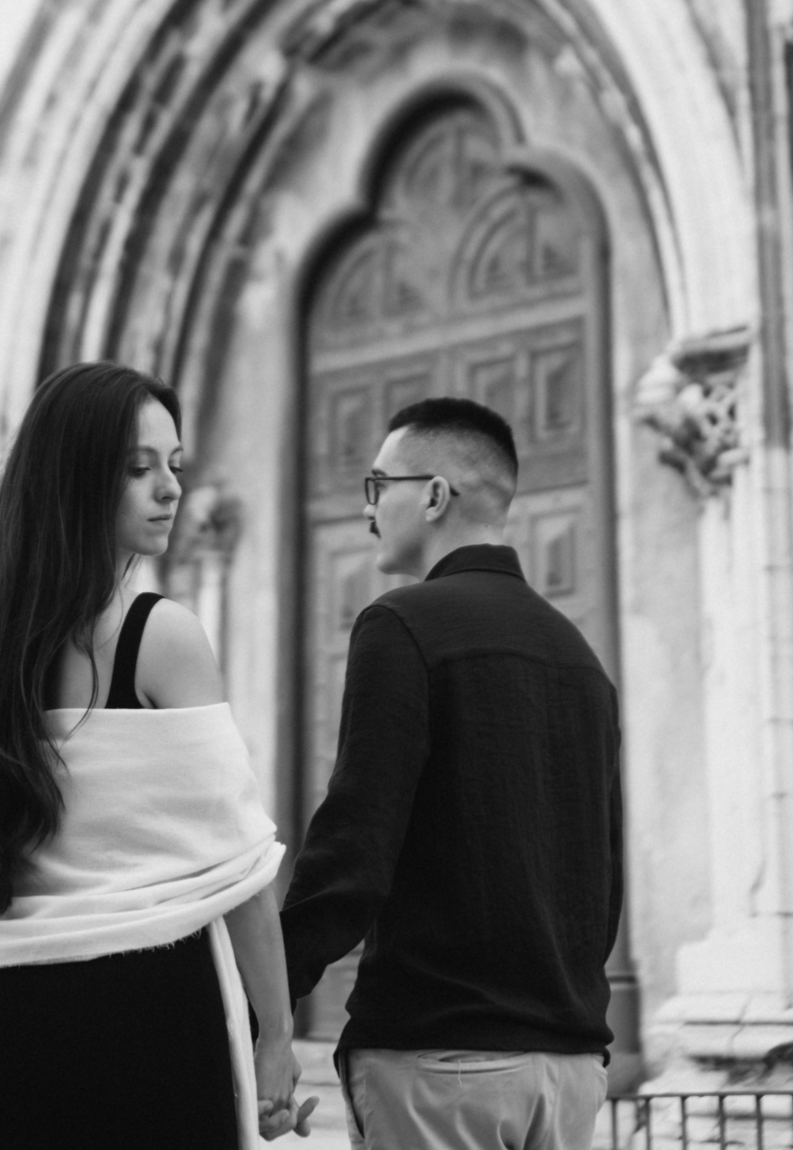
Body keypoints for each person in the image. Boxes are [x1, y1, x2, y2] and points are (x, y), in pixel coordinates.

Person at [0, 361, 317, 1149]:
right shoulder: (161, 637)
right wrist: (275, 1036)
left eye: (175, 465)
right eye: (138, 469)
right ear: (76, 481)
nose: (169, 489)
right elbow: (236, 865)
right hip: (147, 1026)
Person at [280, 395, 623, 1150]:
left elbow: (355, 848)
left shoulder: (399, 623)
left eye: (378, 485)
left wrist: (261, 1002)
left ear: (435, 495)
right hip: (568, 1073)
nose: (366, 508)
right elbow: (603, 880)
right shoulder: (580, 657)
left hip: (441, 1064)